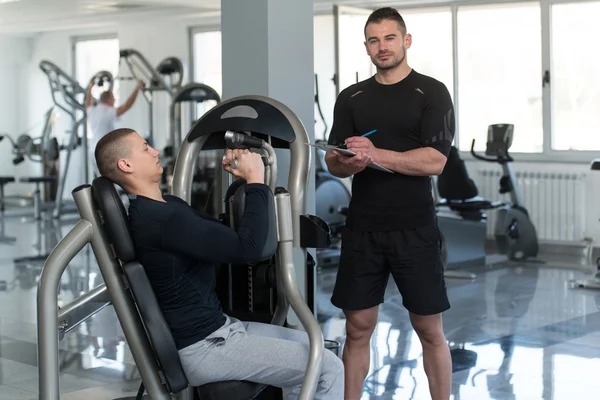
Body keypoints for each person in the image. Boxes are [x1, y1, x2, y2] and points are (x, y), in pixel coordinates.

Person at [94, 128, 344, 399]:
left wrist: (245, 183)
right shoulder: (162, 221)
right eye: (144, 148)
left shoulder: (167, 206)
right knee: (328, 367)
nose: (155, 152)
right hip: (207, 347)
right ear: (126, 164)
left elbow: (227, 237)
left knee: (317, 345)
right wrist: (255, 179)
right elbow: (250, 249)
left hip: (221, 330)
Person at [325, 7, 454, 400]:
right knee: (357, 328)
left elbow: (435, 160)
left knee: (429, 329)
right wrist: (347, 161)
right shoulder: (352, 97)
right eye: (374, 40)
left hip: (415, 227)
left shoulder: (431, 92)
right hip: (363, 227)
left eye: (390, 38)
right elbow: (334, 163)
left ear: (406, 40)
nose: (382, 47)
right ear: (366, 46)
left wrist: (377, 155)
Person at [85, 80, 144, 175]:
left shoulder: (92, 111)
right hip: (104, 151)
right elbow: (127, 106)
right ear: (108, 100)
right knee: (111, 178)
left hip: (93, 150)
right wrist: (137, 88)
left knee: (100, 179)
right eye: (113, 98)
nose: (115, 100)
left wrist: (90, 88)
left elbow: (87, 103)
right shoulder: (107, 111)